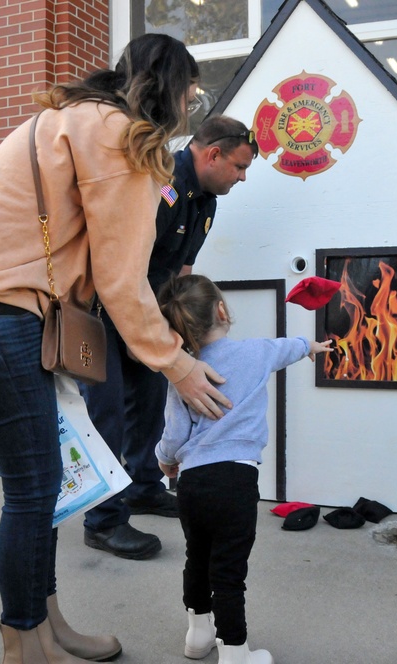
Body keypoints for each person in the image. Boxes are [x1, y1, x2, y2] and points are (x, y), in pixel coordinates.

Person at [0, 34, 232, 663]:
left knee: (44, 482)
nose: (190, 108)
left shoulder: (72, 118)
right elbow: (121, 279)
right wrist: (180, 364)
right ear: (169, 88)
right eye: (190, 95)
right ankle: (23, 643)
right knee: (33, 487)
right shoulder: (118, 135)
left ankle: (45, 623)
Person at [81, 114, 258, 560]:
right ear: (213, 154)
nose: (241, 178)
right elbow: (120, 261)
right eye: (239, 167)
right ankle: (101, 522)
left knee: (148, 407)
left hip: (153, 315)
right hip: (109, 310)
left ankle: (142, 488)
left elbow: (182, 269)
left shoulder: (207, 201)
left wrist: (182, 329)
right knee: (107, 417)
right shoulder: (157, 182)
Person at [154, 274, 332, 664]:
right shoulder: (256, 352)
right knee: (229, 572)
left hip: (193, 483)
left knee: (197, 557)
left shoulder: (183, 375)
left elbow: (173, 434)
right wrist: (312, 346)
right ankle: (235, 652)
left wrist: (165, 460)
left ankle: (198, 636)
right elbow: (286, 348)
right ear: (222, 310)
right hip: (234, 480)